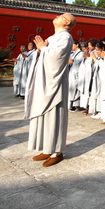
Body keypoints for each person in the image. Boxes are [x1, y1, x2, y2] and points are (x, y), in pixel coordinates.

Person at [25, 13, 76, 167]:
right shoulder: (54, 37)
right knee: (44, 114)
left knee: (55, 115)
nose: (56, 16)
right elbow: (44, 56)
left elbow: (57, 58)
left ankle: (57, 152)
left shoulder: (66, 37)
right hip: (44, 82)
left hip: (55, 83)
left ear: (66, 22)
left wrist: (43, 49)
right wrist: (41, 51)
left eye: (60, 16)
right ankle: (47, 148)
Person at [68, 39, 84, 111]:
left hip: (76, 73)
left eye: (73, 44)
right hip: (71, 73)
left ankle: (76, 105)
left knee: (75, 89)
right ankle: (72, 105)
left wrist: (73, 61)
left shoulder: (81, 53)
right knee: (71, 88)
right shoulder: (72, 53)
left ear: (77, 44)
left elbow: (79, 62)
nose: (71, 46)